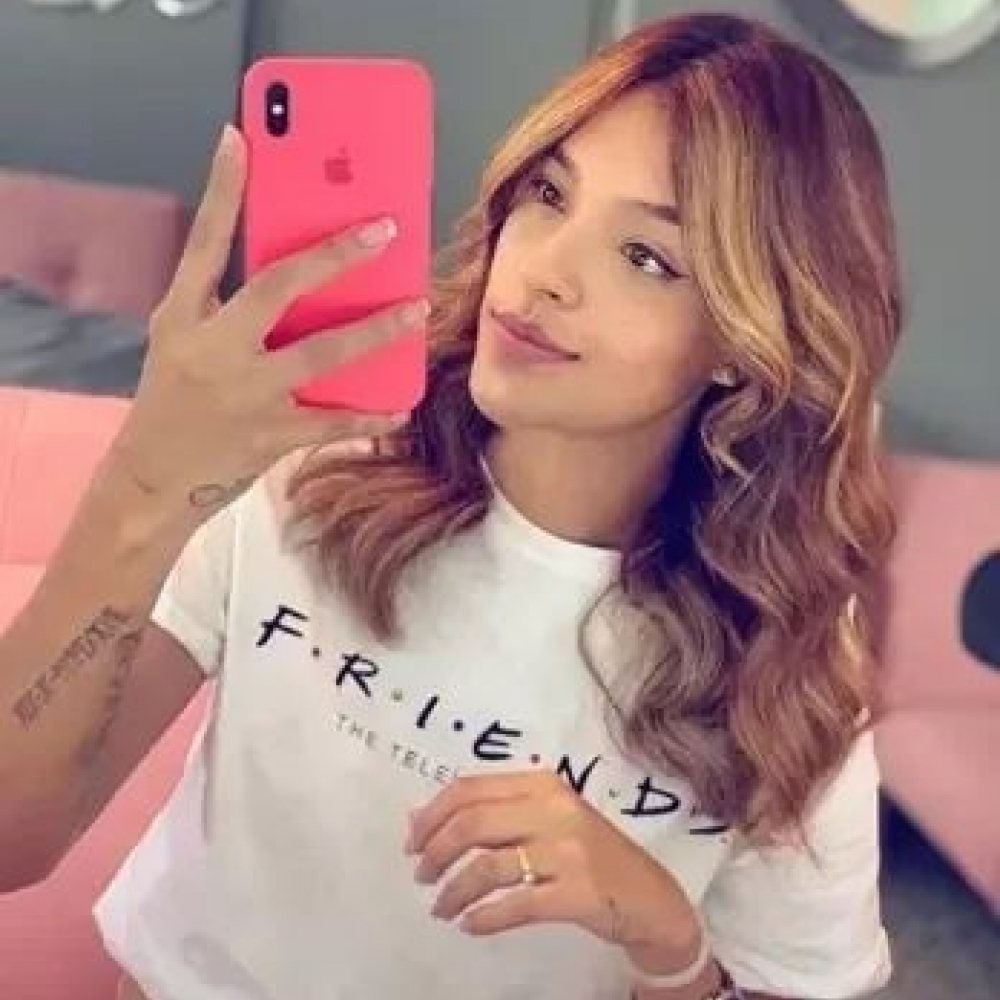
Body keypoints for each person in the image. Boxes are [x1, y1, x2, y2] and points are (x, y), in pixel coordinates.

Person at [0, 13, 902, 1000]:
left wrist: (666, 941)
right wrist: (144, 478)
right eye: (550, 194)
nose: (546, 270)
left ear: (744, 339)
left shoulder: (789, 656)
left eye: (647, 257)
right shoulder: (312, 468)